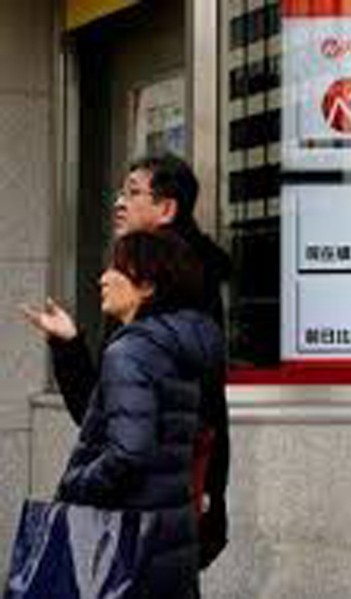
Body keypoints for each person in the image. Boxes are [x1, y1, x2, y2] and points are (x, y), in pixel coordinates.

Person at [22, 153, 231, 569]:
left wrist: (73, 487)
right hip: (170, 514)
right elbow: (103, 410)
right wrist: (69, 346)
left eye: (133, 192)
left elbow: (128, 445)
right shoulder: (165, 316)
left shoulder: (144, 328)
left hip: (140, 515)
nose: (119, 202)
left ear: (167, 209)